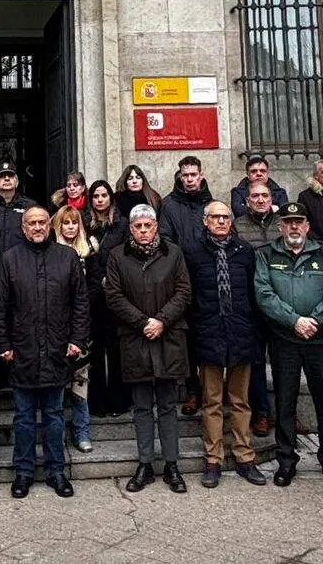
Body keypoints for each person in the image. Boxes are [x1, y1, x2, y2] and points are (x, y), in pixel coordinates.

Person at [0, 207, 90, 499]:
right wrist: (4, 345)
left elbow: (80, 303)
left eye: (41, 223)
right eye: (31, 223)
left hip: (57, 350)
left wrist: (77, 340)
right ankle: (22, 472)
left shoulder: (67, 257)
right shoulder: (9, 259)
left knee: (53, 415)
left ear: (50, 226)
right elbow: (0, 308)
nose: (37, 227)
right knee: (23, 417)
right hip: (22, 351)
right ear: (23, 228)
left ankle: (56, 471)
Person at [253, 202, 323, 489]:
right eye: (289, 222)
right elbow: (264, 293)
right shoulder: (266, 255)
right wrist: (294, 321)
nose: (294, 227)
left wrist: (314, 322)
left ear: (307, 226)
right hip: (284, 339)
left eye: (299, 222)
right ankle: (286, 461)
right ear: (280, 226)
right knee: (285, 401)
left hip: (319, 340)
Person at [105, 204, 193, 494]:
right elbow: (114, 296)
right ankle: (145, 463)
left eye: (148, 225)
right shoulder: (118, 256)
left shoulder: (173, 253)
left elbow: (183, 292)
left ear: (156, 226)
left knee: (168, 404)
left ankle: (171, 464)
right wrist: (143, 322)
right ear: (130, 228)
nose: (143, 231)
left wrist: (161, 321)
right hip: (135, 338)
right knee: (142, 406)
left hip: (168, 338)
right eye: (138, 226)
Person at [184, 202, 267, 488]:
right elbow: (189, 296)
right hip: (208, 334)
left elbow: (254, 295)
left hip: (241, 334)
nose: (221, 221)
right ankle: (213, 459)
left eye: (225, 217)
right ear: (205, 221)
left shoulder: (244, 252)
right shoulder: (193, 253)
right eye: (215, 217)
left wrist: (254, 332)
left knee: (241, 401)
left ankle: (245, 456)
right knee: (212, 401)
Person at [160, 155, 213, 415]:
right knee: (188, 338)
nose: (190, 179)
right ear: (179, 176)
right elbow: (166, 239)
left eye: (194, 174)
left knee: (208, 336)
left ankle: (212, 391)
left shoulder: (211, 204)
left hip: (207, 279)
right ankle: (192, 390)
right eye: (185, 175)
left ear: (201, 175)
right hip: (181, 279)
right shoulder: (169, 205)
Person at [52, 205, 102, 453]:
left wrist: (80, 308)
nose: (70, 227)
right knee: (58, 384)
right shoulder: (50, 253)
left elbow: (94, 286)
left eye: (74, 223)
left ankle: (81, 430)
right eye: (66, 223)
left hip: (83, 326)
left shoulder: (89, 252)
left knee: (80, 383)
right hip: (56, 327)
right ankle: (57, 433)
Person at [232, 182, 278, 437]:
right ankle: (261, 413)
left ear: (271, 198)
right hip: (252, 303)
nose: (259, 200)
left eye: (264, 195)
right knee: (257, 362)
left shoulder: (283, 222)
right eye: (254, 196)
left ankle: (287, 414)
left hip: (283, 301)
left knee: (284, 361)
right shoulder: (238, 225)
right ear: (247, 200)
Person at [85, 180, 130, 417]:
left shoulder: (121, 224)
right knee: (94, 349)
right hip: (92, 294)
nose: (100, 200)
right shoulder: (85, 223)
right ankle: (97, 402)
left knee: (116, 349)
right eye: (95, 196)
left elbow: (126, 254)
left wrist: (110, 278)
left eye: (104, 195)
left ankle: (119, 401)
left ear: (110, 198)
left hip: (116, 293)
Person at [0, 161, 36, 253]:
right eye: (2, 176)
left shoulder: (30, 207)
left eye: (11, 176)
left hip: (21, 261)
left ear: (17, 183)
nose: (7, 178)